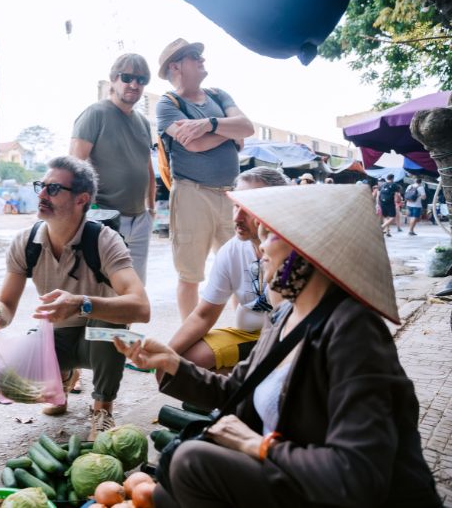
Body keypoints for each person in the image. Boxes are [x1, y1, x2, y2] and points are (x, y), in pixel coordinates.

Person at [115, 184, 442, 508]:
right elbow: (238, 392)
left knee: (191, 464)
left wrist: (260, 446)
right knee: (163, 493)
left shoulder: (354, 332)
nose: (261, 250)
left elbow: (357, 476)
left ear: (306, 250)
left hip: (333, 492)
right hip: (292, 477)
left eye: (270, 236)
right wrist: (171, 362)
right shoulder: (283, 315)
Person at [0, 156, 150, 440]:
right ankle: (65, 377)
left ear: (82, 199)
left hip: (103, 339)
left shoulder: (104, 241)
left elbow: (141, 307)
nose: (42, 195)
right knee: (4, 382)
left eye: (53, 189)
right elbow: (6, 305)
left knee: (109, 324)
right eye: (41, 186)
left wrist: (82, 302)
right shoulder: (25, 242)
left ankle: (102, 408)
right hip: (57, 335)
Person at [155, 38, 255, 322]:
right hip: (191, 194)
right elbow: (194, 145)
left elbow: (247, 127)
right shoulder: (166, 105)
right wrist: (228, 130)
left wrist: (208, 124)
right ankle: (189, 344)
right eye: (194, 56)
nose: (202, 60)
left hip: (230, 196)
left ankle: (244, 334)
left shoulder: (218, 94)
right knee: (190, 274)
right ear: (175, 65)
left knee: (240, 268)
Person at [168, 167, 287, 370]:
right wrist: (167, 354)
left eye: (248, 208)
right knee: (184, 362)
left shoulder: (296, 249)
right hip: (252, 334)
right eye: (235, 205)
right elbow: (203, 315)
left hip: (293, 334)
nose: (237, 218)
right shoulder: (231, 250)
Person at [70, 53, 155, 283]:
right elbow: (76, 166)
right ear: (113, 79)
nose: (134, 84)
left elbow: (147, 168)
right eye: (127, 77)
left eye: (141, 80)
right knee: (101, 287)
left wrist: (151, 210)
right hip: (104, 216)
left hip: (139, 220)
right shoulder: (95, 114)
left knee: (134, 290)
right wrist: (88, 210)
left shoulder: (143, 122)